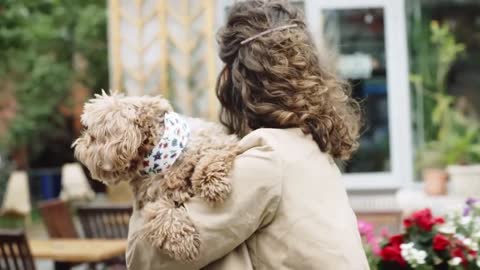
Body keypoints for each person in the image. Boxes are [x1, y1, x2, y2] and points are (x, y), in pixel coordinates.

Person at [126, 0, 369, 269]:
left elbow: (147, 258)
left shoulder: (267, 160)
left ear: (236, 79)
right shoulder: (310, 148)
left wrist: (149, 171)